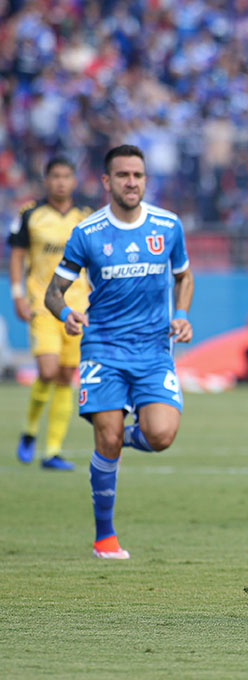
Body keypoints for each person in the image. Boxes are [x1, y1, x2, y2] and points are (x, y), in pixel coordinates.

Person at [44, 144, 194, 560]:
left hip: (153, 351)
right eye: (124, 175)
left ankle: (115, 440)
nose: (132, 182)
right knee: (106, 438)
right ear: (107, 181)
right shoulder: (87, 233)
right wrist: (67, 314)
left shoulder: (168, 225)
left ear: (146, 180)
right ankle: (104, 536)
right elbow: (52, 292)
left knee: (161, 435)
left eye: (138, 175)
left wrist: (181, 313)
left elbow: (184, 276)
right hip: (103, 348)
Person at [8, 157, 93, 470]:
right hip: (43, 304)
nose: (61, 182)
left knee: (66, 376)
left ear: (74, 181)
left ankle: (52, 451)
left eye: (66, 176)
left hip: (78, 308)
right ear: (46, 180)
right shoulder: (30, 214)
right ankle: (30, 431)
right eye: (55, 176)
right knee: (46, 370)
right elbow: (16, 256)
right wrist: (17, 294)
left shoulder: (86, 217)